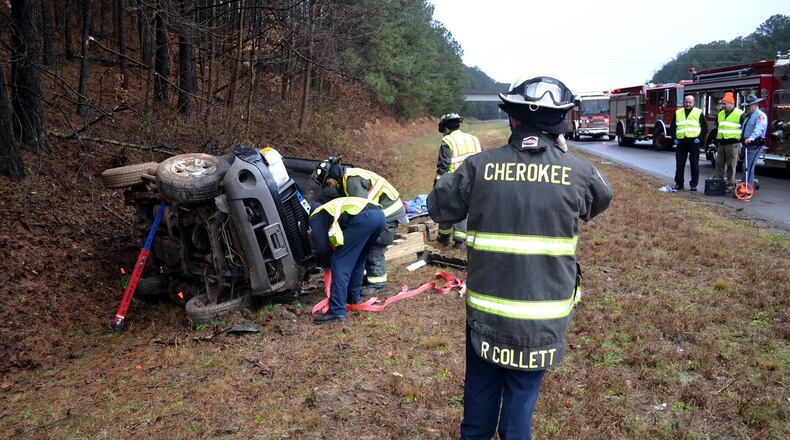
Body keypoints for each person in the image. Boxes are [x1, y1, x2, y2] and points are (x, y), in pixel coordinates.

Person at [428, 76, 612, 439]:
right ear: (560, 121)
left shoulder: (479, 167)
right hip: (542, 320)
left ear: (512, 117)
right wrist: (564, 155)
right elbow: (601, 197)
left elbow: (438, 206)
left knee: (478, 404)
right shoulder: (578, 172)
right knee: (518, 413)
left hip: (487, 318)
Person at [312, 157, 407, 297]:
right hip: (382, 214)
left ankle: (377, 284)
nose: (329, 187)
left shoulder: (352, 181)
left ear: (333, 178)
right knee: (364, 246)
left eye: (328, 183)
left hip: (388, 215)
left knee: (374, 250)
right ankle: (363, 280)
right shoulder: (347, 179)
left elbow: (361, 209)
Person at [308, 197, 385, 324]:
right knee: (359, 259)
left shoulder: (316, 216)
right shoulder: (332, 206)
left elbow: (322, 249)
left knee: (339, 262)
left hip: (364, 218)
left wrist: (326, 262)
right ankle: (353, 298)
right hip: (379, 216)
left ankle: (337, 311)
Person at [436, 112, 482, 248]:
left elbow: (443, 165)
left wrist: (439, 183)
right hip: (475, 179)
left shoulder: (447, 140)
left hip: (456, 180)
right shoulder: (474, 139)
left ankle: (452, 239)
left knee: (449, 206)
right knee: (468, 208)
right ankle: (458, 239)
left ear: (446, 128)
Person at [669, 95, 707, 191]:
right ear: (684, 102)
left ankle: (693, 184)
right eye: (686, 102)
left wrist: (699, 139)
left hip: (693, 142)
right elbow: (672, 127)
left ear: (694, 103)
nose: (688, 104)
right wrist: (674, 139)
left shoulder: (698, 112)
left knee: (694, 164)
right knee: (680, 163)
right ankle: (679, 183)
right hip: (681, 142)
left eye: (690, 102)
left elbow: (704, 127)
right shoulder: (678, 112)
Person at [713, 92, 744, 187]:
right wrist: (716, 140)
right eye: (722, 104)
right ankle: (719, 183)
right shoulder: (720, 114)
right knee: (719, 165)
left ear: (732, 103)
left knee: (731, 165)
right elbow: (718, 128)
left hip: (733, 143)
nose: (723, 106)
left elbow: (744, 128)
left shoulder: (740, 114)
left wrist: (741, 139)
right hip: (721, 143)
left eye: (725, 104)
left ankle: (730, 184)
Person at [740, 93, 768, 187]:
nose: (747, 108)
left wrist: (751, 138)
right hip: (748, 145)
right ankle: (745, 185)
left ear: (756, 105)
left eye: (749, 106)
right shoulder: (749, 116)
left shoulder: (760, 116)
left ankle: (747, 187)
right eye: (747, 106)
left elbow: (759, 129)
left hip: (755, 145)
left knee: (748, 167)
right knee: (746, 166)